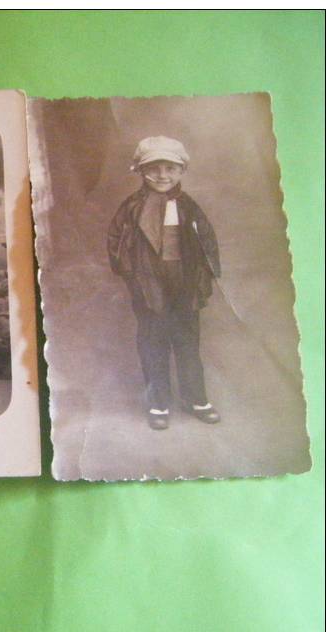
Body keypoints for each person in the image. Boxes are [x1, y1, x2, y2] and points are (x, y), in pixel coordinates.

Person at [107, 136, 221, 430]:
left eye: (170, 168)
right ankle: (158, 403)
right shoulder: (132, 207)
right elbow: (116, 243)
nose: (162, 175)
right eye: (154, 168)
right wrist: (133, 277)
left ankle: (195, 399)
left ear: (182, 170)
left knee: (187, 342)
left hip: (183, 281)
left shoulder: (189, 207)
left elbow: (207, 242)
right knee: (153, 342)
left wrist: (203, 277)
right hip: (149, 283)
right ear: (140, 170)